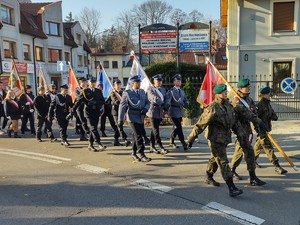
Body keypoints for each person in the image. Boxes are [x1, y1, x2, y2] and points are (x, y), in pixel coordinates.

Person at [187, 84, 244, 197]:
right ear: (217, 94)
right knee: (223, 161)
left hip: (225, 138)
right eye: (223, 92)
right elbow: (200, 124)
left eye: (225, 92)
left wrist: (241, 134)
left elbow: (234, 122)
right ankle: (231, 187)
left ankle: (208, 175)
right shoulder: (212, 107)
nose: (225, 93)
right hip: (215, 138)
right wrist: (191, 138)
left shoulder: (228, 106)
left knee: (215, 158)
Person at [230, 78, 267, 186]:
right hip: (240, 129)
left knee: (242, 151)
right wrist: (259, 122)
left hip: (247, 129)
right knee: (247, 152)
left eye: (249, 87)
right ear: (240, 88)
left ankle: (235, 170)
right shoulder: (236, 100)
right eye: (247, 87)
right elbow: (247, 114)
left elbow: (254, 113)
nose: (249, 88)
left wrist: (258, 128)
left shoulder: (249, 100)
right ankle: (251, 177)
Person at [254, 86, 287, 174]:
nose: (270, 95)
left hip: (267, 128)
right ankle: (276, 166)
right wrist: (259, 128)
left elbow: (271, 113)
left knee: (258, 145)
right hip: (261, 130)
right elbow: (254, 118)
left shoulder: (267, 104)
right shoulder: (259, 106)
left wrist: (274, 116)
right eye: (269, 93)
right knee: (268, 147)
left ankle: (252, 160)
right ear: (264, 95)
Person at [118, 75, 151, 162]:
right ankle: (142, 154)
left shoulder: (142, 92)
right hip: (132, 117)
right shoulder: (127, 93)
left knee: (135, 136)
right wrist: (120, 120)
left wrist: (145, 109)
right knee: (138, 135)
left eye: (139, 82)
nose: (139, 84)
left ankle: (133, 153)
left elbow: (148, 102)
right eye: (137, 82)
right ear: (133, 83)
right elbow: (122, 106)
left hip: (140, 116)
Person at [69, 77, 106, 152]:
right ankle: (98, 143)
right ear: (89, 83)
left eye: (94, 82)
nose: (93, 84)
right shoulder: (85, 91)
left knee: (94, 128)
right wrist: (71, 112)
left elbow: (102, 101)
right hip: (88, 112)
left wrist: (96, 102)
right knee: (93, 128)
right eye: (91, 82)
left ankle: (90, 145)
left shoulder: (98, 91)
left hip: (96, 112)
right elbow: (77, 102)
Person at [147, 74, 169, 154]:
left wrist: (166, 104)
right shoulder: (151, 89)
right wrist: (162, 103)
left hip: (160, 112)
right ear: (154, 81)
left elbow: (167, 97)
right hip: (153, 112)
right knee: (156, 130)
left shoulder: (163, 90)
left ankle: (152, 146)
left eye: (160, 81)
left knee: (154, 130)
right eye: (157, 81)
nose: (159, 82)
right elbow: (153, 98)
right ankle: (161, 147)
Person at [166, 74, 189, 151]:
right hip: (173, 111)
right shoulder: (171, 91)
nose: (179, 82)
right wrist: (167, 109)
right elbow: (168, 101)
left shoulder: (182, 91)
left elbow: (185, 99)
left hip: (180, 111)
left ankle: (171, 141)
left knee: (177, 127)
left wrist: (187, 103)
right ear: (174, 82)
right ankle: (183, 143)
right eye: (177, 81)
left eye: (180, 81)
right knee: (179, 127)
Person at [110, 79, 131, 146]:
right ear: (114, 85)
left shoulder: (123, 92)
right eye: (117, 85)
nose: (118, 86)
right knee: (119, 126)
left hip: (122, 112)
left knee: (118, 126)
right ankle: (125, 139)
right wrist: (122, 105)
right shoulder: (113, 93)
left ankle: (116, 140)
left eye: (119, 84)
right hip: (116, 112)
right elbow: (116, 102)